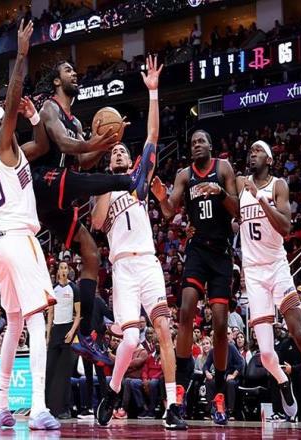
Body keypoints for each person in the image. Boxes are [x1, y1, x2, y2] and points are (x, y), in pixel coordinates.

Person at [26, 56, 155, 366]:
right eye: (68, 70)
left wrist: (104, 143)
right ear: (57, 80)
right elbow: (64, 145)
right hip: (43, 183)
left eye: (74, 70)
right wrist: (94, 142)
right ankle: (129, 180)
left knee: (92, 254)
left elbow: (84, 160)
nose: (75, 74)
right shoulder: (49, 108)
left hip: (60, 196)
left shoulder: (77, 123)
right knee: (78, 179)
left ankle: (85, 334)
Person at [92, 56, 186, 430]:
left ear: (130, 161)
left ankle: (173, 405)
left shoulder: (138, 183)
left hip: (147, 263)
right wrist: (104, 170)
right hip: (122, 270)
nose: (119, 153)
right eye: (114, 152)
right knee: (130, 339)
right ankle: (113, 390)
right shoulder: (103, 188)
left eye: (122, 151)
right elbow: (97, 222)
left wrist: (153, 93)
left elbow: (153, 137)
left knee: (163, 329)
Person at [0, 20, 59, 430]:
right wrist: (21, 54)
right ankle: (39, 406)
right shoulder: (3, 145)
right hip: (18, 239)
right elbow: (12, 97)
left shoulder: (11, 155)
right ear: (4, 125)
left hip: (2, 242)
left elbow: (43, 145)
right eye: (10, 117)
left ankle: (0, 406)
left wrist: (34, 119)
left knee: (14, 323)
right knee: (34, 320)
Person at [236, 140, 301, 428]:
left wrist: (259, 198)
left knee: (298, 331)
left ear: (269, 160)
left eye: (258, 151)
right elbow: (235, 215)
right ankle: (283, 382)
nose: (252, 154)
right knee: (266, 354)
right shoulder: (241, 184)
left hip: (277, 267)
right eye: (250, 151)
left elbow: (284, 227)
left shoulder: (277, 185)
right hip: (253, 274)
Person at [151, 130, 239, 425]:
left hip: (221, 253)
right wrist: (161, 197)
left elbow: (238, 209)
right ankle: (181, 382)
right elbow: (168, 211)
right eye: (193, 143)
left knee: (220, 324)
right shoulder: (184, 175)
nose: (197, 145)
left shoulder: (223, 168)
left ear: (211, 146)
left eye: (202, 141)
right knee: (186, 309)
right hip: (198, 249)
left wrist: (219, 192)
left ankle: (219, 391)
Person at [46, 261, 81, 419]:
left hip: (68, 330)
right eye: (61, 268)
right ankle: (48, 407)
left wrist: (72, 331)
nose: (63, 270)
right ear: (58, 271)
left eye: (66, 268)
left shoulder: (74, 288)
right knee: (50, 369)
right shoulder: (53, 289)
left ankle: (65, 409)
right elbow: (50, 314)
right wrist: (48, 335)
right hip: (56, 331)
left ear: (68, 271)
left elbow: (78, 314)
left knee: (65, 372)